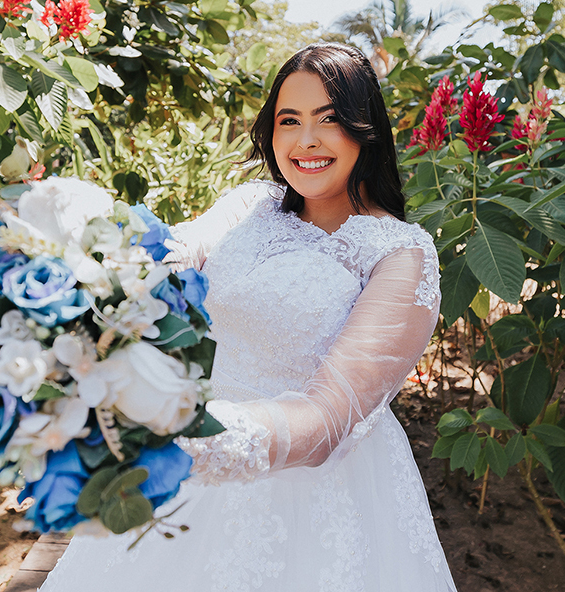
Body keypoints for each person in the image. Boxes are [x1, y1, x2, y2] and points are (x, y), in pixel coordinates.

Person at [41, 43, 456, 590]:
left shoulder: (400, 254)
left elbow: (329, 418)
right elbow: (169, 254)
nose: (306, 140)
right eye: (290, 120)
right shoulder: (251, 204)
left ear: (364, 128)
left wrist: (180, 435)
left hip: (311, 488)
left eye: (329, 119)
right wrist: (73, 248)